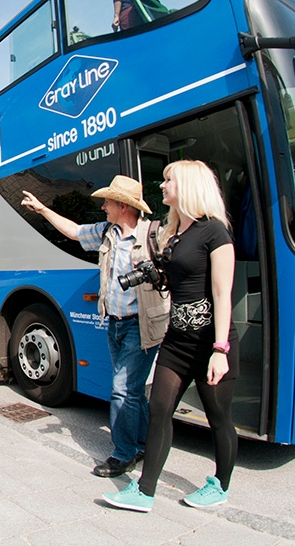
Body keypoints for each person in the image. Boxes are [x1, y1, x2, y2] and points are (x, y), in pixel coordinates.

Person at [102, 160, 238, 512]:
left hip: (210, 341)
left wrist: (220, 349)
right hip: (177, 340)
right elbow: (175, 282)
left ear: (189, 186)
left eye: (168, 180)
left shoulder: (215, 233)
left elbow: (223, 294)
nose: (161, 186)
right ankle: (144, 491)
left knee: (219, 418)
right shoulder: (175, 233)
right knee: (159, 409)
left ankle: (220, 485)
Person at [21, 175, 169, 477]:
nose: (103, 206)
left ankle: (123, 454)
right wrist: (42, 210)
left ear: (124, 207)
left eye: (108, 202)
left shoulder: (154, 236)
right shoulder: (107, 233)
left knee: (122, 389)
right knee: (134, 391)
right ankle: (141, 444)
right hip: (115, 324)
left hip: (140, 326)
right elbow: (74, 232)